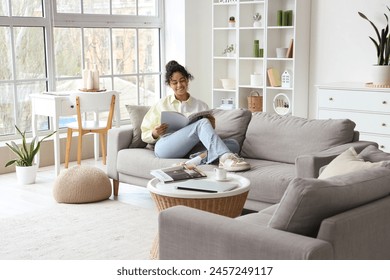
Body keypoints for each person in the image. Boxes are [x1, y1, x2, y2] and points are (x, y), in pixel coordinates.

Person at [140, 60, 250, 171]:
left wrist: (211, 125)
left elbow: (208, 136)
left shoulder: (201, 105)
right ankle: (225, 158)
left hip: (191, 148)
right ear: (169, 84)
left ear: (187, 80)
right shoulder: (161, 104)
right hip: (166, 147)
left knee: (233, 144)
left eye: (182, 80)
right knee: (204, 127)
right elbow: (144, 134)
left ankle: (192, 162)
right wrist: (154, 133)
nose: (179, 85)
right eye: (174, 82)